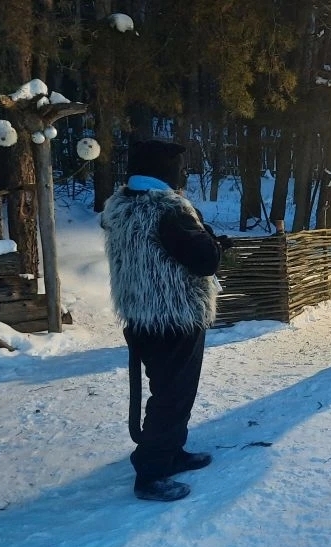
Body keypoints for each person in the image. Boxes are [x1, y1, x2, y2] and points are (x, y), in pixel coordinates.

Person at [102, 139, 221, 502]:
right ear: (166, 171)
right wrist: (209, 237)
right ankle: (151, 472)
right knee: (174, 395)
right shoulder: (169, 210)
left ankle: (170, 452)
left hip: (141, 315)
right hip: (175, 315)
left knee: (166, 390)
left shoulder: (120, 207)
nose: (181, 175)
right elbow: (206, 260)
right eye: (178, 168)